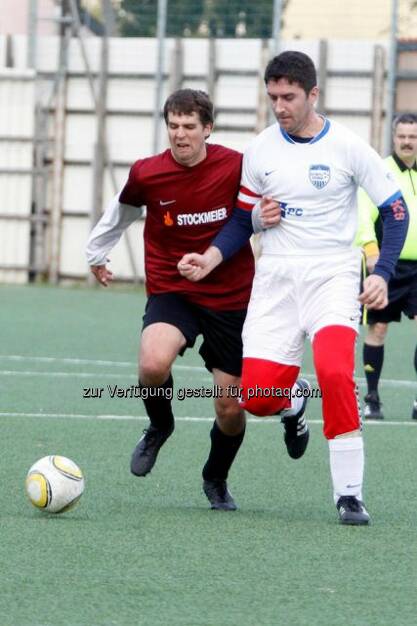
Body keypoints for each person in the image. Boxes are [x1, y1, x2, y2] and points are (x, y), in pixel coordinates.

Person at [178, 51, 409, 525]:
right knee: (258, 399)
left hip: (332, 275)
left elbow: (396, 210)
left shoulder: (346, 146)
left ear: (312, 95)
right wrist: (213, 256)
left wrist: (382, 272)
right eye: (273, 97)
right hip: (277, 279)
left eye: (289, 97)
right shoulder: (261, 149)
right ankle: (293, 399)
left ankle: (349, 495)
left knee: (335, 371)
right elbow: (243, 218)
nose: (280, 106)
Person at [85, 89, 256, 511]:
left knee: (230, 406)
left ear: (207, 129)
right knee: (151, 363)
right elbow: (120, 214)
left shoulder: (237, 166)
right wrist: (96, 254)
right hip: (172, 289)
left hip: (230, 296)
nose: (179, 135)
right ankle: (159, 426)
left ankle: (215, 479)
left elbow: (257, 212)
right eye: (173, 126)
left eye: (189, 127)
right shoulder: (148, 173)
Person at [356, 113, 417, 420]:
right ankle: (372, 398)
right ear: (394, 137)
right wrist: (370, 249)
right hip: (386, 267)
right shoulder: (380, 171)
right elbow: (363, 212)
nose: (407, 141)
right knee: (378, 329)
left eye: (413, 136)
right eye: (402, 135)